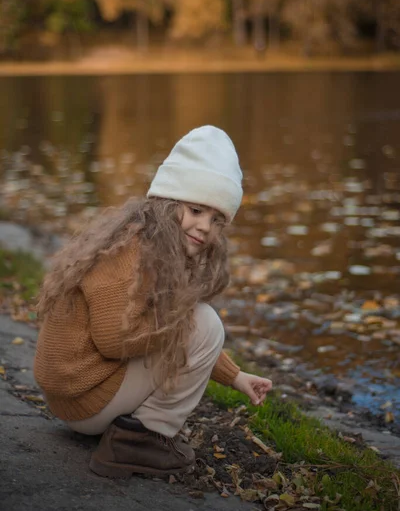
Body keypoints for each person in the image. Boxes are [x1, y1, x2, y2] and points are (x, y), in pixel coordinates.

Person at [34, 125, 273, 479]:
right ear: (169, 201)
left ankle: (131, 430)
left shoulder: (148, 242)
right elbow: (114, 340)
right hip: (83, 399)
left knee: (194, 319)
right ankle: (141, 439)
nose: (205, 227)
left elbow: (174, 330)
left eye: (217, 219)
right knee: (204, 320)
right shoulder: (130, 252)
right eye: (195, 210)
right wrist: (182, 320)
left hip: (79, 395)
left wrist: (235, 377)